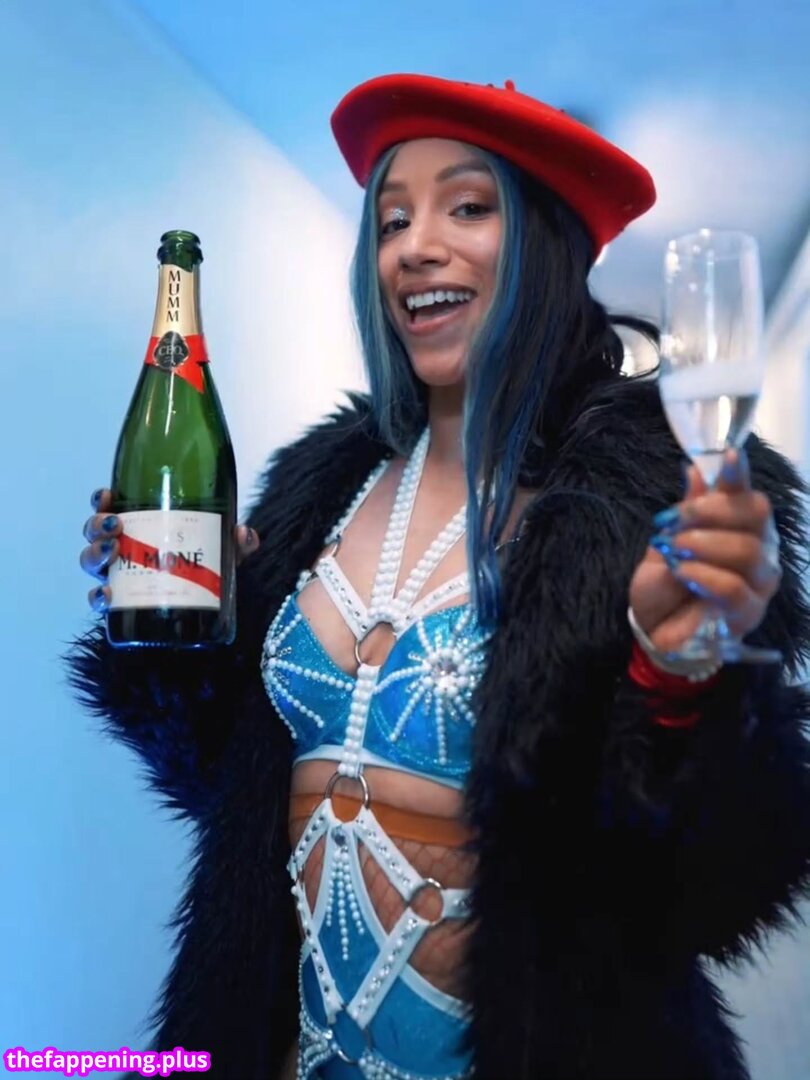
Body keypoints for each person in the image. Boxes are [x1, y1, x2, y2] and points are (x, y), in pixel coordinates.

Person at [67, 74, 810, 1080]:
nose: (414, 246)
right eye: (391, 220)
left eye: (467, 207)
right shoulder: (318, 485)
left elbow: (723, 891)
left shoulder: (667, 497)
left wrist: (679, 679)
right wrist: (180, 631)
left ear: (549, 247)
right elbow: (233, 792)